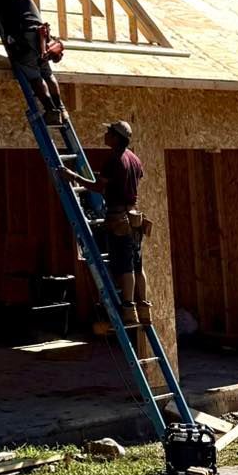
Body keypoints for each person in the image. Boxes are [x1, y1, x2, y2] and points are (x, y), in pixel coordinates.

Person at [82, 120, 152, 331]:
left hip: (119, 217)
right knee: (137, 264)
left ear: (116, 137)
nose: (105, 135)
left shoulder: (113, 160)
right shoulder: (134, 158)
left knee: (125, 266)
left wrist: (72, 177)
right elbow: (133, 177)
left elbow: (97, 187)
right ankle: (144, 307)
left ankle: (129, 310)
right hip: (133, 217)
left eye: (108, 132)